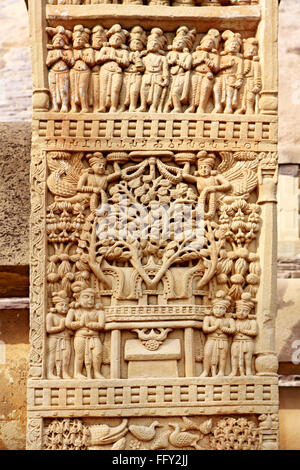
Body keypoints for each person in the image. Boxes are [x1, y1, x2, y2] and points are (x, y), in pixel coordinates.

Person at [66, 287, 105, 379]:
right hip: (80, 336)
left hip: (94, 336)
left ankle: (96, 372)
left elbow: (101, 325)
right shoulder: (74, 311)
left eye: (92, 297)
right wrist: (80, 324)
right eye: (86, 297)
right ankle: (77, 373)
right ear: (78, 298)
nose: (90, 300)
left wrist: (89, 324)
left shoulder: (99, 312)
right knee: (79, 356)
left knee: (97, 354)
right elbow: (68, 323)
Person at [201, 291, 235, 377]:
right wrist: (215, 326)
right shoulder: (208, 318)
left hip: (223, 340)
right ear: (212, 308)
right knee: (207, 355)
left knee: (223, 357)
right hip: (211, 339)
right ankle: (205, 371)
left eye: (221, 308)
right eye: (216, 308)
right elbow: (205, 329)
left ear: (225, 310)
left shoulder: (229, 320)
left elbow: (233, 330)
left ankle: (221, 372)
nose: (218, 311)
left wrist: (224, 329)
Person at [98, 24, 129, 113]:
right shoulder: (105, 49)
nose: (114, 40)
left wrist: (116, 58)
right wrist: (108, 57)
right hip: (105, 70)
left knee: (115, 89)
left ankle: (113, 107)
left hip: (117, 72)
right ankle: (102, 106)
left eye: (118, 39)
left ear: (122, 42)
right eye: (113, 38)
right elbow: (98, 59)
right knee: (103, 88)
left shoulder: (123, 51)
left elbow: (126, 62)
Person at [137, 28, 169, 113]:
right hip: (147, 75)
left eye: (155, 44)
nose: (152, 45)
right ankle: (143, 105)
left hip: (158, 76)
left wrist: (165, 78)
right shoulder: (145, 57)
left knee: (156, 92)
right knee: (144, 89)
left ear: (159, 47)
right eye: (151, 43)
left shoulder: (162, 58)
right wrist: (138, 58)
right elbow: (141, 68)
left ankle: (153, 107)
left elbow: (165, 69)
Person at [46, 26, 74, 113]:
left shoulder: (67, 52)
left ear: (64, 42)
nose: (58, 41)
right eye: (56, 40)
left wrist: (63, 57)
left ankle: (64, 105)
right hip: (53, 72)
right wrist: (56, 57)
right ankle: (55, 106)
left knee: (63, 90)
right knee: (53, 90)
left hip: (63, 72)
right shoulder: (51, 52)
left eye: (60, 40)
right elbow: (48, 63)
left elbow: (72, 62)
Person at [230, 293, 257, 376]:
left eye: (245, 311)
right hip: (236, 342)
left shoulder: (252, 322)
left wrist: (244, 331)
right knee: (234, 356)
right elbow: (231, 332)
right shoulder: (233, 321)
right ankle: (234, 371)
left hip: (248, 342)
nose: (241, 313)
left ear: (249, 312)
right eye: (239, 310)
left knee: (248, 358)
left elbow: (254, 332)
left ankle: (248, 371)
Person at [46, 290, 72, 379]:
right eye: (61, 305)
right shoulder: (51, 315)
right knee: (52, 356)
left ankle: (65, 373)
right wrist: (60, 327)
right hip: (54, 339)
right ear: (55, 305)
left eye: (66, 305)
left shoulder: (68, 317)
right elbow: (49, 329)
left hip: (66, 339)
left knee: (66, 356)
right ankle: (50, 373)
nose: (64, 307)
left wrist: (69, 330)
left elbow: (72, 330)